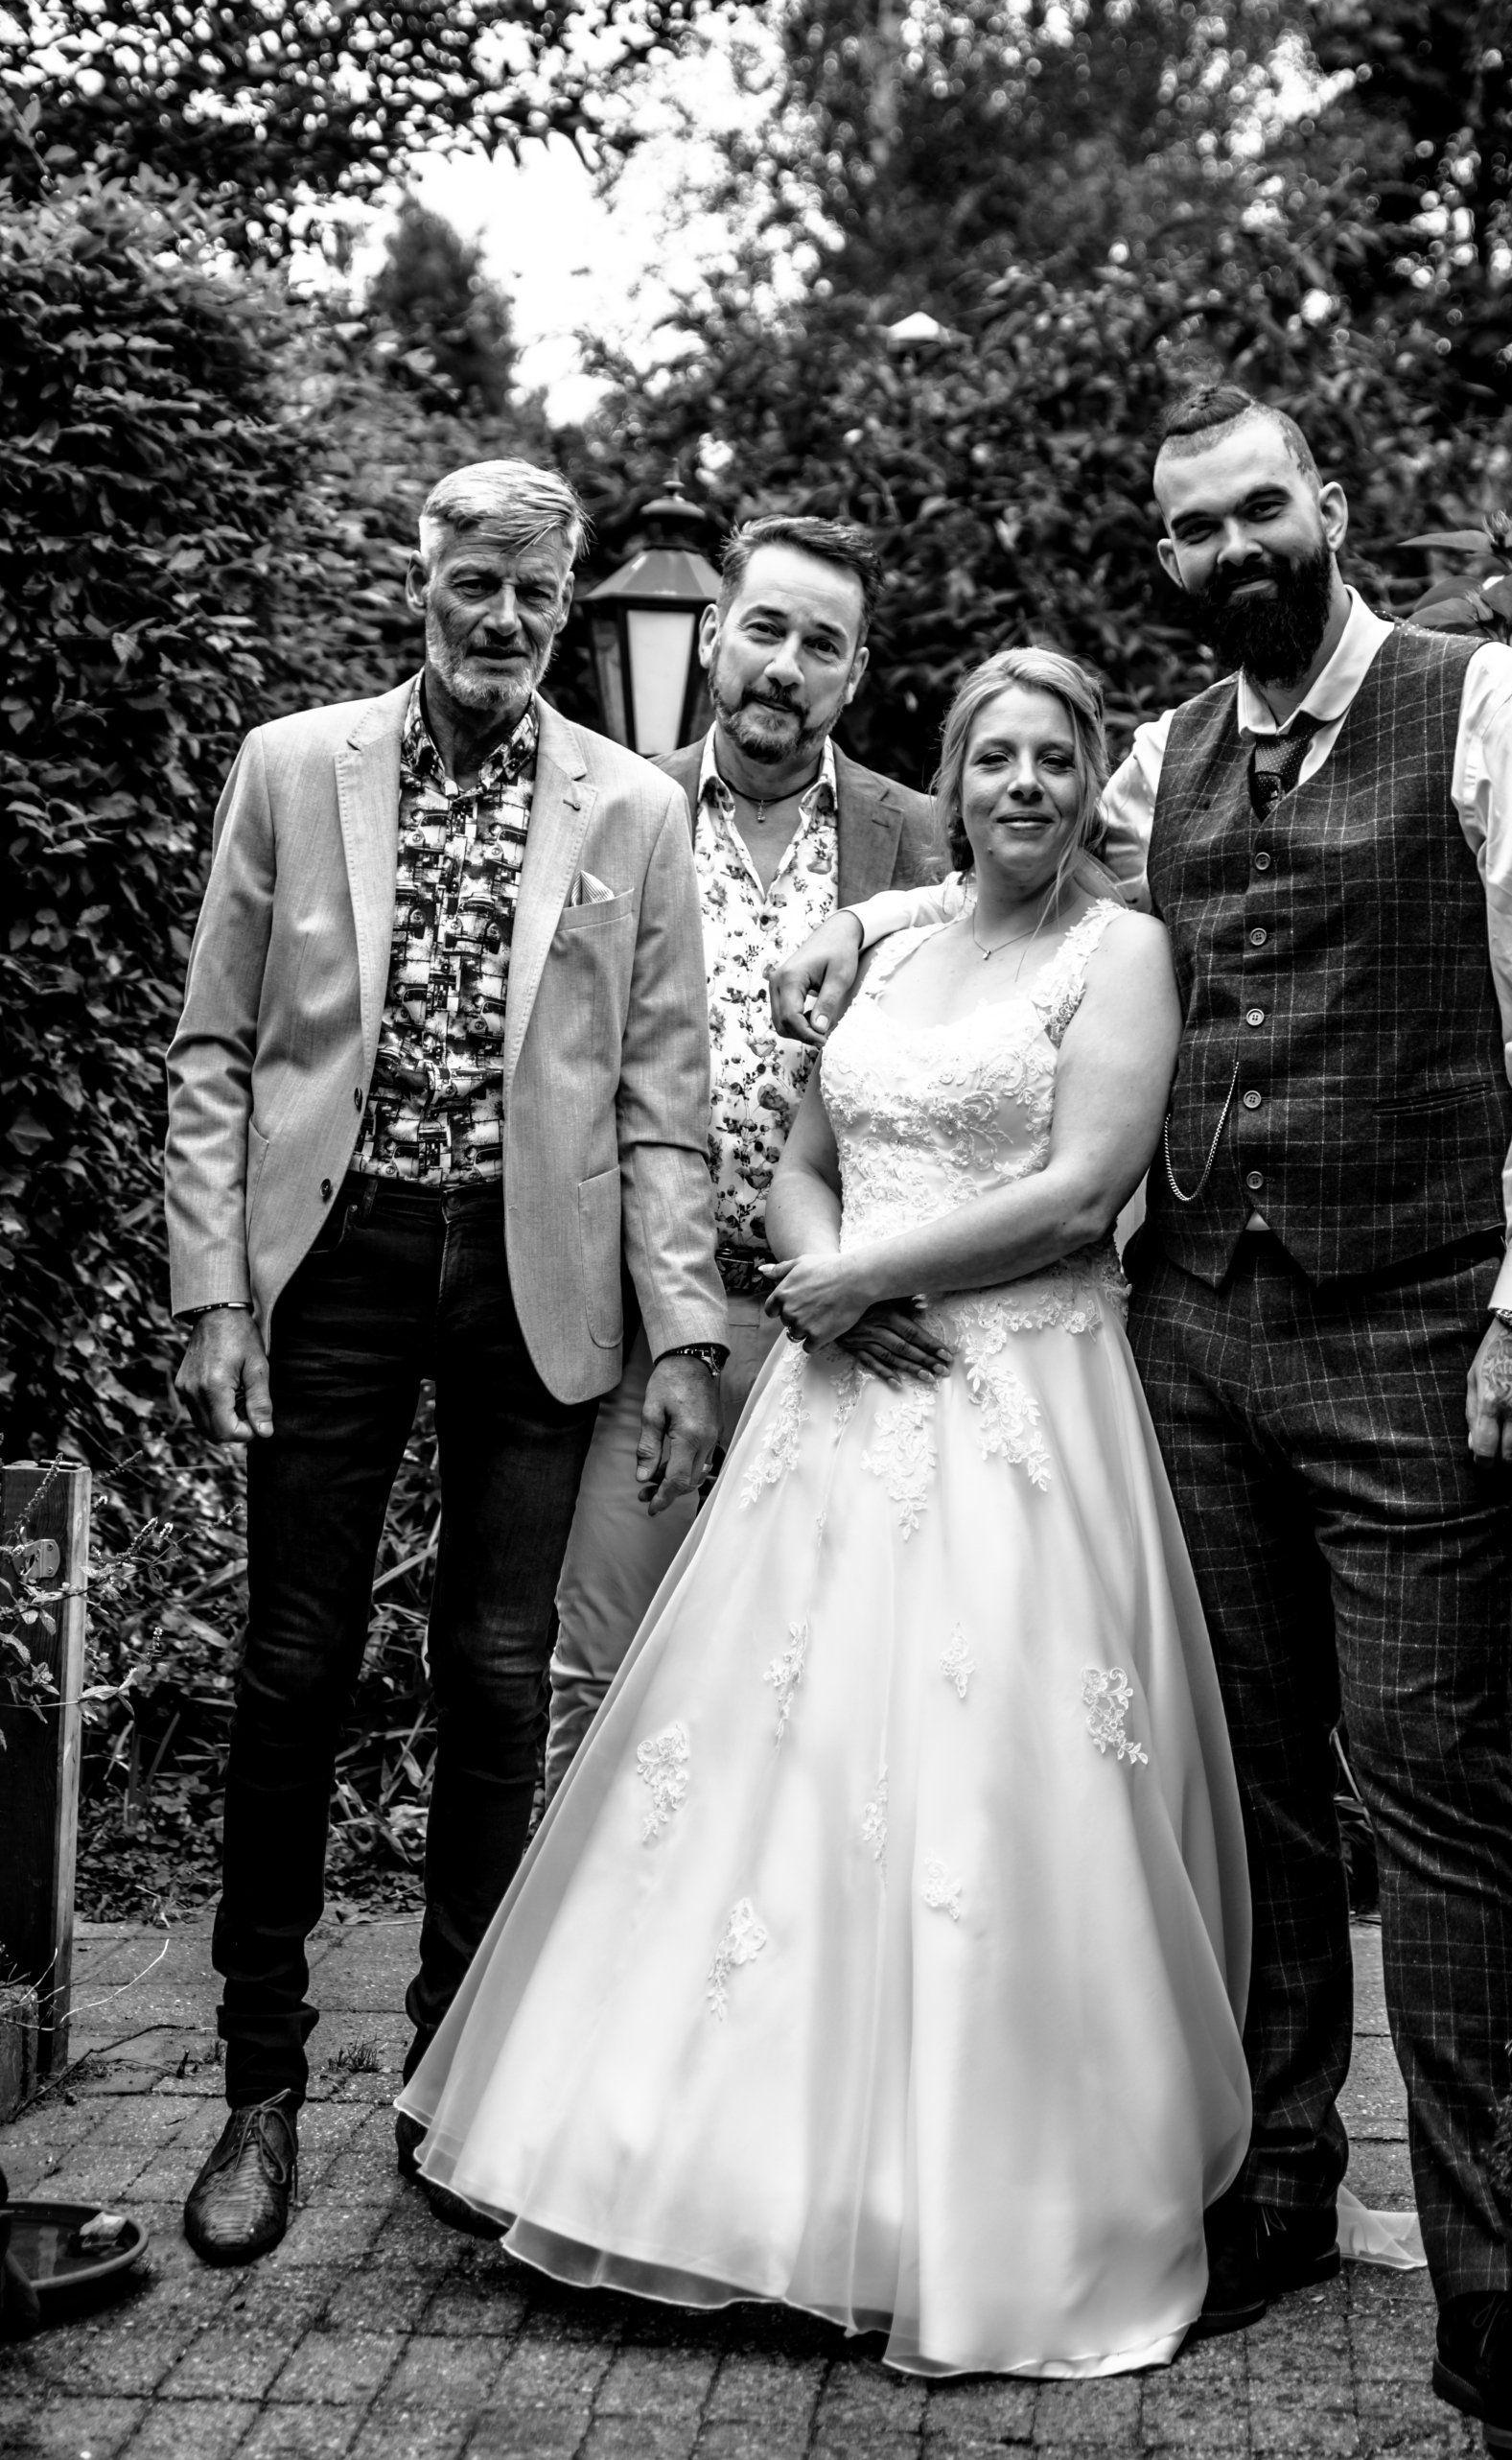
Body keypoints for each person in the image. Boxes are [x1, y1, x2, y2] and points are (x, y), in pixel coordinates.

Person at [770, 384, 1512, 2458]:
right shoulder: (1162, 757)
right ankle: (1277, 2186)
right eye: (1193, 529)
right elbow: (1027, 888)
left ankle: (1498, 2290)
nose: (1233, 550)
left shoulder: (1483, 706)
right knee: (1250, 1789)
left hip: (1417, 1333)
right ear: (1164, 556)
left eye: (1262, 510)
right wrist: (866, 922)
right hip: (1195, 1346)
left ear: (1327, 503)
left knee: (1433, 1791)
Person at [399, 647, 1254, 2378]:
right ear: (953, 780)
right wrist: (826, 1281)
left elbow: (1082, 1192)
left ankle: (972, 2199)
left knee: (993, 1773)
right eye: (995, 758)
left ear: (1092, 780)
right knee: (768, 1765)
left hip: (1016, 1399)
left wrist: (867, 1273)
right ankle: (696, 2169)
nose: (1025, 785)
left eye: (1056, 760)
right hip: (842, 1391)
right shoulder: (892, 946)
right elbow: (801, 1159)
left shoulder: (1124, 954)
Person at [164, 458, 729, 2267]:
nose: (503, 619)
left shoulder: (630, 806)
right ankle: (260, 2087)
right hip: (329, 1263)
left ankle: (448, 2081)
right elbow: (216, 1049)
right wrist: (212, 1296)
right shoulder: (292, 767)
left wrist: (686, 1334)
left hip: (532, 1274)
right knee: (292, 1670)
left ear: (564, 606)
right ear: (423, 581)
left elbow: (664, 1094)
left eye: (532, 594)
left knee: (494, 1680)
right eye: (474, 582)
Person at [546, 513, 941, 1791]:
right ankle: (570, 1920)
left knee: (820, 1681)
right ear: (716, 633)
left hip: (849, 1321)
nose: (784, 666)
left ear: (855, 672)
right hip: (646, 1321)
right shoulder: (610, 811)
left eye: (821, 645)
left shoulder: (922, 841)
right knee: (605, 1668)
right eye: (765, 629)